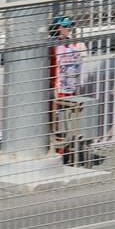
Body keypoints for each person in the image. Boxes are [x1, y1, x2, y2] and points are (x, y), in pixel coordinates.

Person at [49, 16, 86, 164]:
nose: (67, 28)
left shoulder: (74, 44)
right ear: (55, 28)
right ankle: (58, 151)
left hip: (71, 88)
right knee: (55, 120)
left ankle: (67, 150)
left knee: (69, 120)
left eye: (69, 25)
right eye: (64, 26)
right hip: (55, 88)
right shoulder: (50, 44)